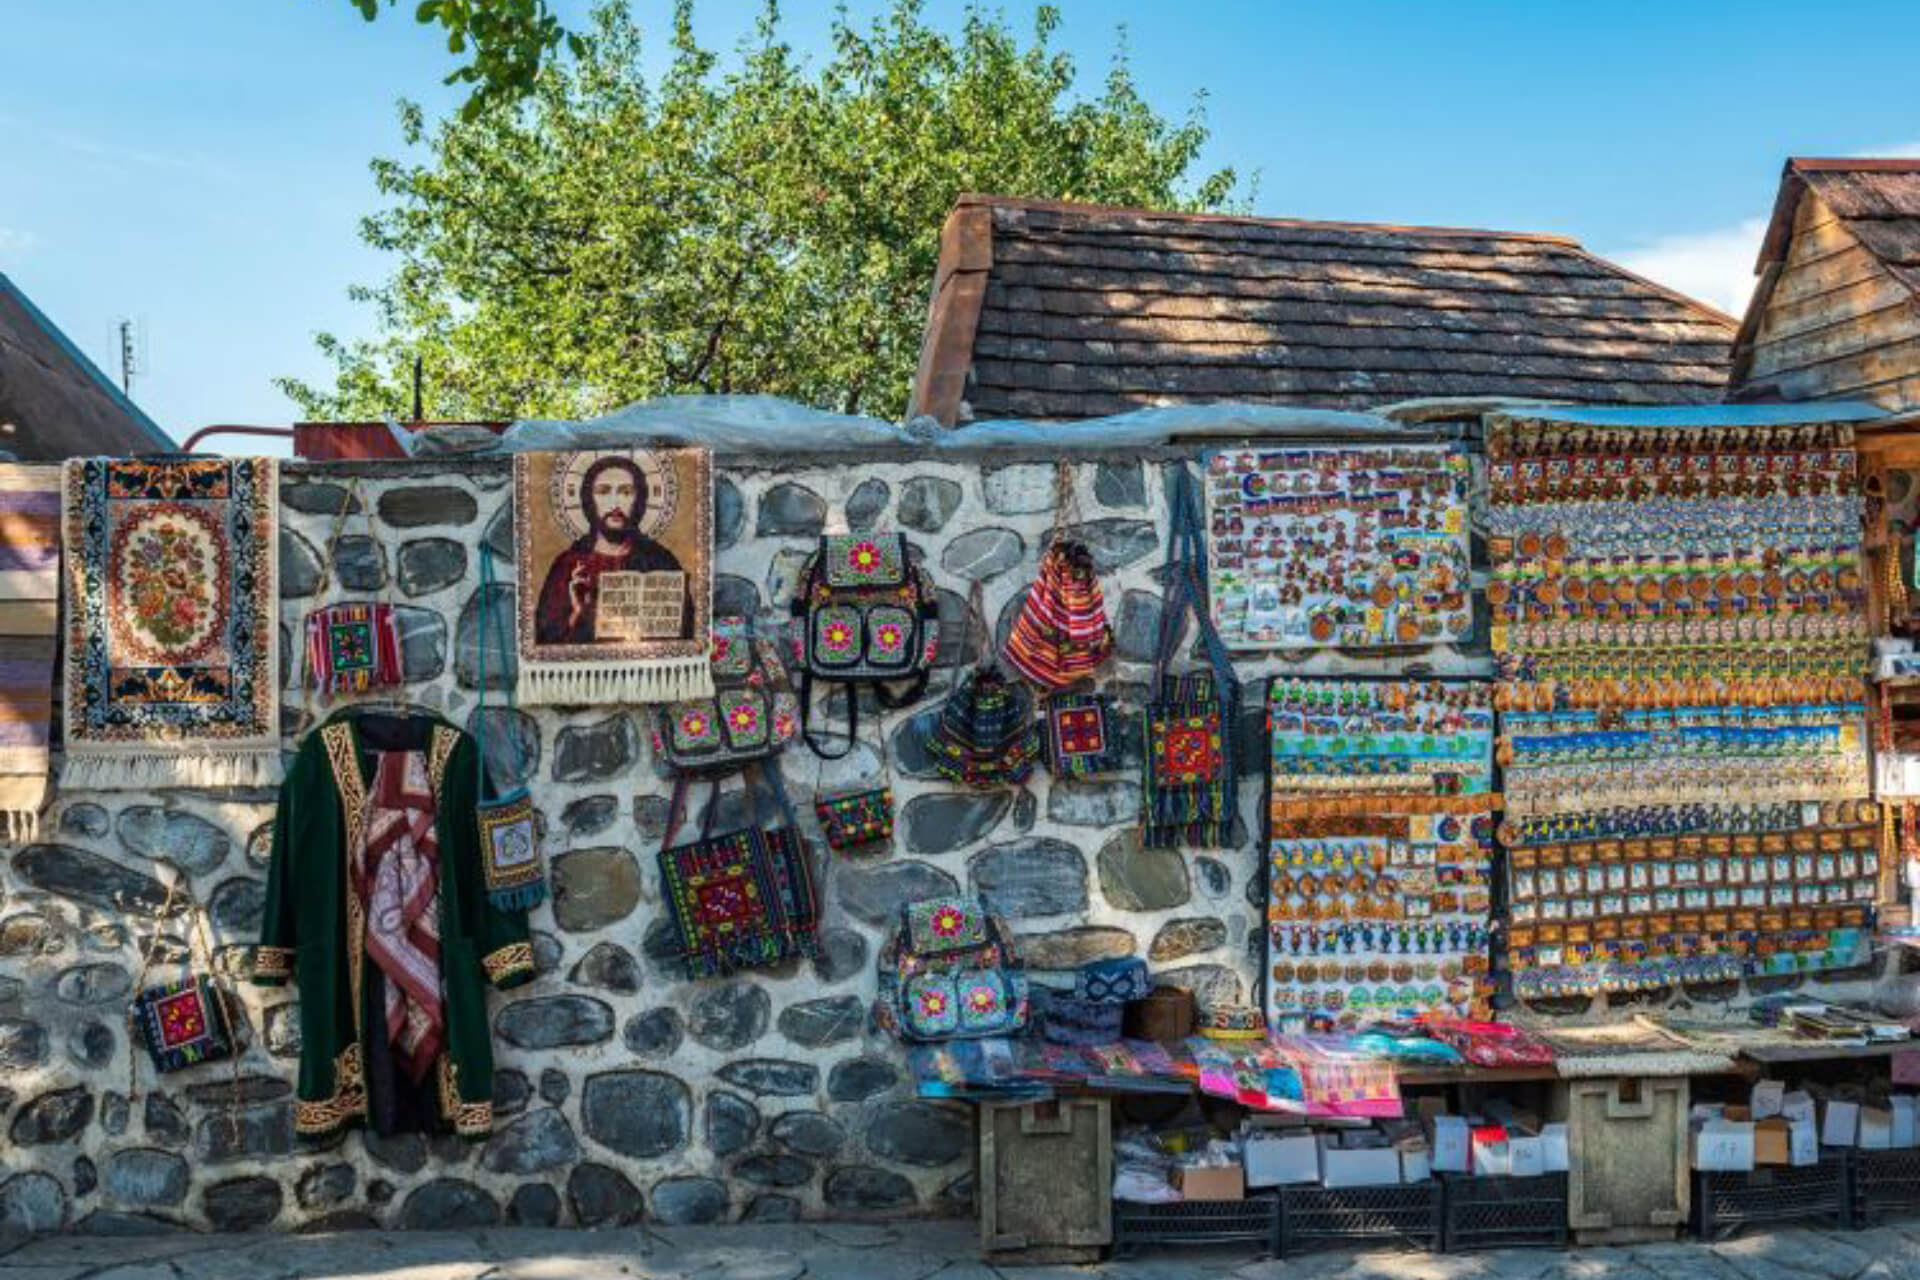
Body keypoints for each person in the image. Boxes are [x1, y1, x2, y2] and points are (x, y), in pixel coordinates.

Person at [533, 455, 694, 644]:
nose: (615, 503)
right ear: (589, 500)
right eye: (603, 491)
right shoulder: (568, 565)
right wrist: (578, 613)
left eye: (626, 492)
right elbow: (545, 638)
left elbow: (684, 631)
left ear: (640, 501)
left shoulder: (660, 561)